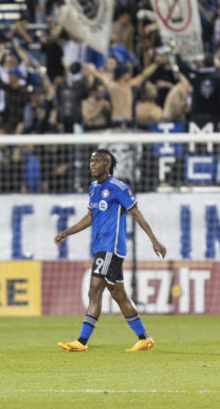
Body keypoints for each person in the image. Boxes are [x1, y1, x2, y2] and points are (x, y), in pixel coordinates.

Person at [54, 149, 166, 352]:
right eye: (91, 160)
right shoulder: (93, 188)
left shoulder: (118, 187)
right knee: (118, 293)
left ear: (107, 165)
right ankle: (144, 338)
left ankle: (82, 341)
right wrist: (67, 232)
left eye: (97, 161)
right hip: (101, 247)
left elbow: (136, 213)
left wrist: (154, 240)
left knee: (94, 290)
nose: (92, 164)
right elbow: (90, 217)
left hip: (111, 248)